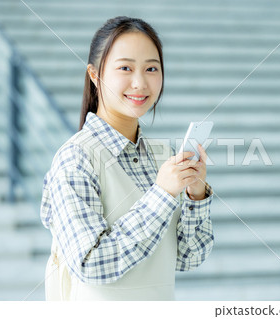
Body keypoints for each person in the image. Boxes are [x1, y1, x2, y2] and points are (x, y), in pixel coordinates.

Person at [40, 16, 214, 301]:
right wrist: (162, 194)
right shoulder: (75, 159)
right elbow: (91, 264)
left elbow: (188, 259)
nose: (140, 82)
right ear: (95, 76)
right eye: (125, 68)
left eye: (151, 68)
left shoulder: (162, 158)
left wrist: (195, 195)